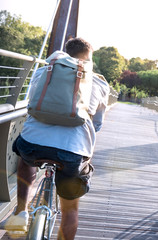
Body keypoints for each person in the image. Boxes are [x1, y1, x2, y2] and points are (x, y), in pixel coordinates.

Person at [4, 37, 110, 240]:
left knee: (25, 156)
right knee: (70, 209)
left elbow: (31, 104)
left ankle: (21, 210)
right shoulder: (98, 82)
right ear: (89, 59)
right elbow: (97, 124)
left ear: (65, 53)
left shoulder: (45, 70)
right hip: (72, 152)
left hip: (33, 144)